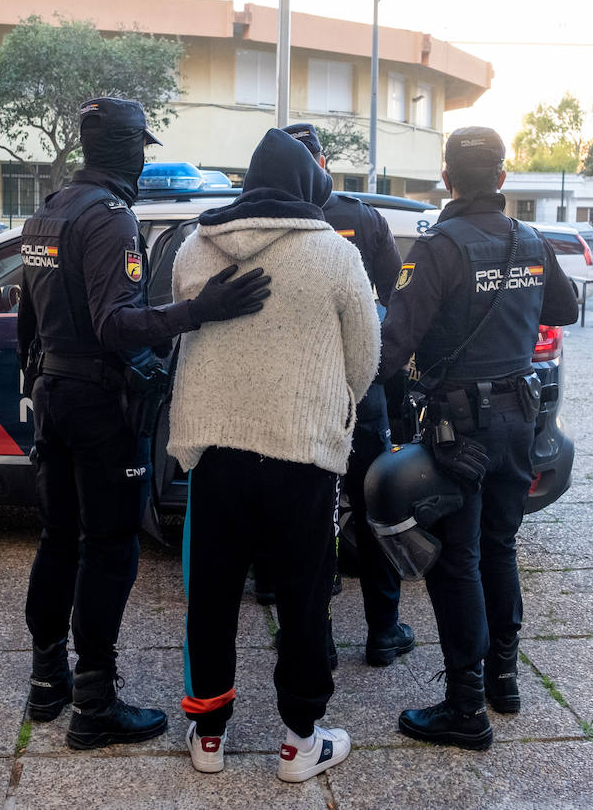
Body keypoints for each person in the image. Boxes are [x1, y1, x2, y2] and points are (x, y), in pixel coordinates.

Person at [17, 97, 271, 749]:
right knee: (110, 546)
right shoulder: (109, 218)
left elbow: (27, 318)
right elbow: (115, 324)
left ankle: (47, 681)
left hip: (53, 392)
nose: (141, 158)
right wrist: (200, 309)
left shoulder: (48, 211)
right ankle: (94, 701)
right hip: (96, 404)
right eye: (140, 147)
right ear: (129, 149)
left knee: (58, 538)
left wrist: (37, 384)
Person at [168, 128, 379, 780]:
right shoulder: (335, 253)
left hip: (217, 448)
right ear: (306, 185)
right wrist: (332, 399)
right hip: (301, 452)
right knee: (303, 596)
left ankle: (208, 735)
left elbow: (182, 322)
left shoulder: (195, 247)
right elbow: (365, 355)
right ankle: (300, 740)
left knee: (212, 594)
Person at [378, 126, 578, 749]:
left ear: (447, 179)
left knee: (458, 557)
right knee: (500, 546)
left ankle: (465, 708)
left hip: (457, 426)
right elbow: (565, 309)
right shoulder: (530, 239)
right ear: (501, 177)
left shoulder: (438, 247)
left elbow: (394, 346)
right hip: (519, 416)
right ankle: (503, 680)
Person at [281, 122, 414, 668]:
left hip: (301, 390)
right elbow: (395, 299)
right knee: (373, 507)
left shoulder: (274, 221)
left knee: (308, 513)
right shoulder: (362, 218)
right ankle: (382, 631)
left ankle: (318, 637)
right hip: (361, 388)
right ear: (324, 163)